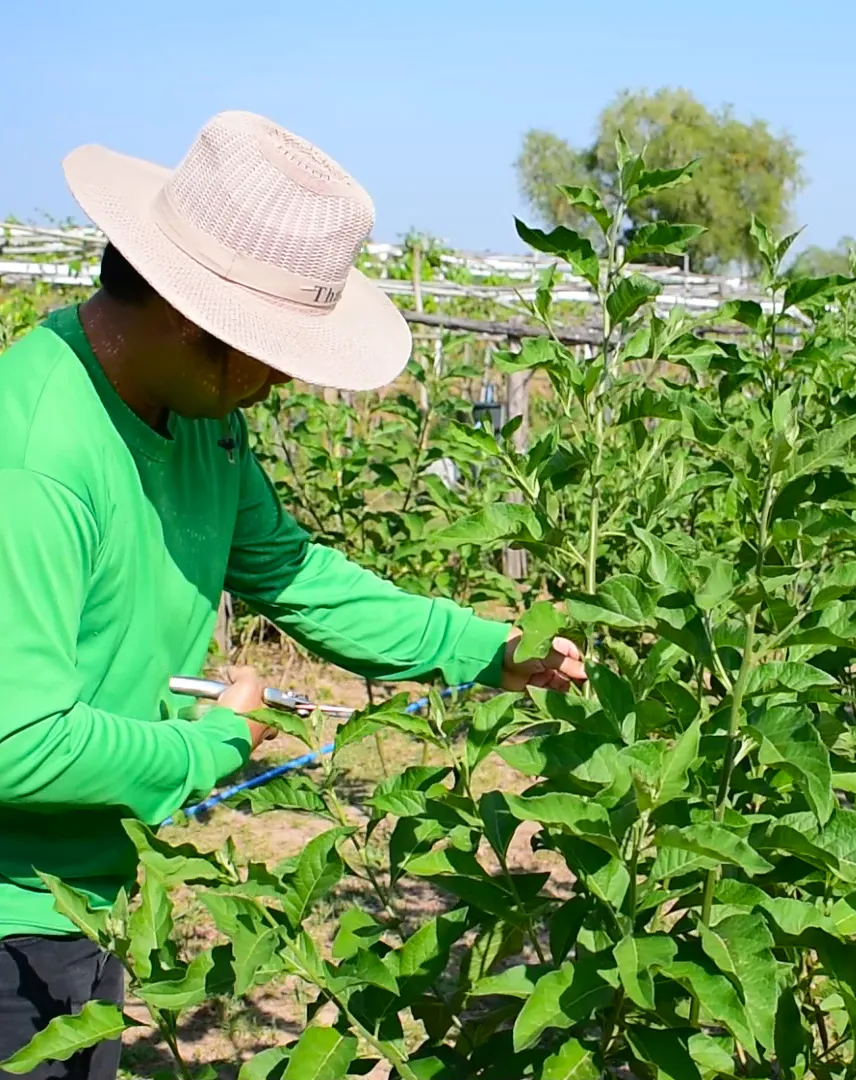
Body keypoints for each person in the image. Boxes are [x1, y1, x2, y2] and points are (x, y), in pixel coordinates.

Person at [0, 111, 586, 1080]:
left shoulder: (198, 422)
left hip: (83, 893)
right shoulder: (36, 456)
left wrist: (487, 648)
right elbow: (16, 739)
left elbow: (293, 574)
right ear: (196, 324)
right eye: (271, 351)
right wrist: (212, 744)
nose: (279, 380)